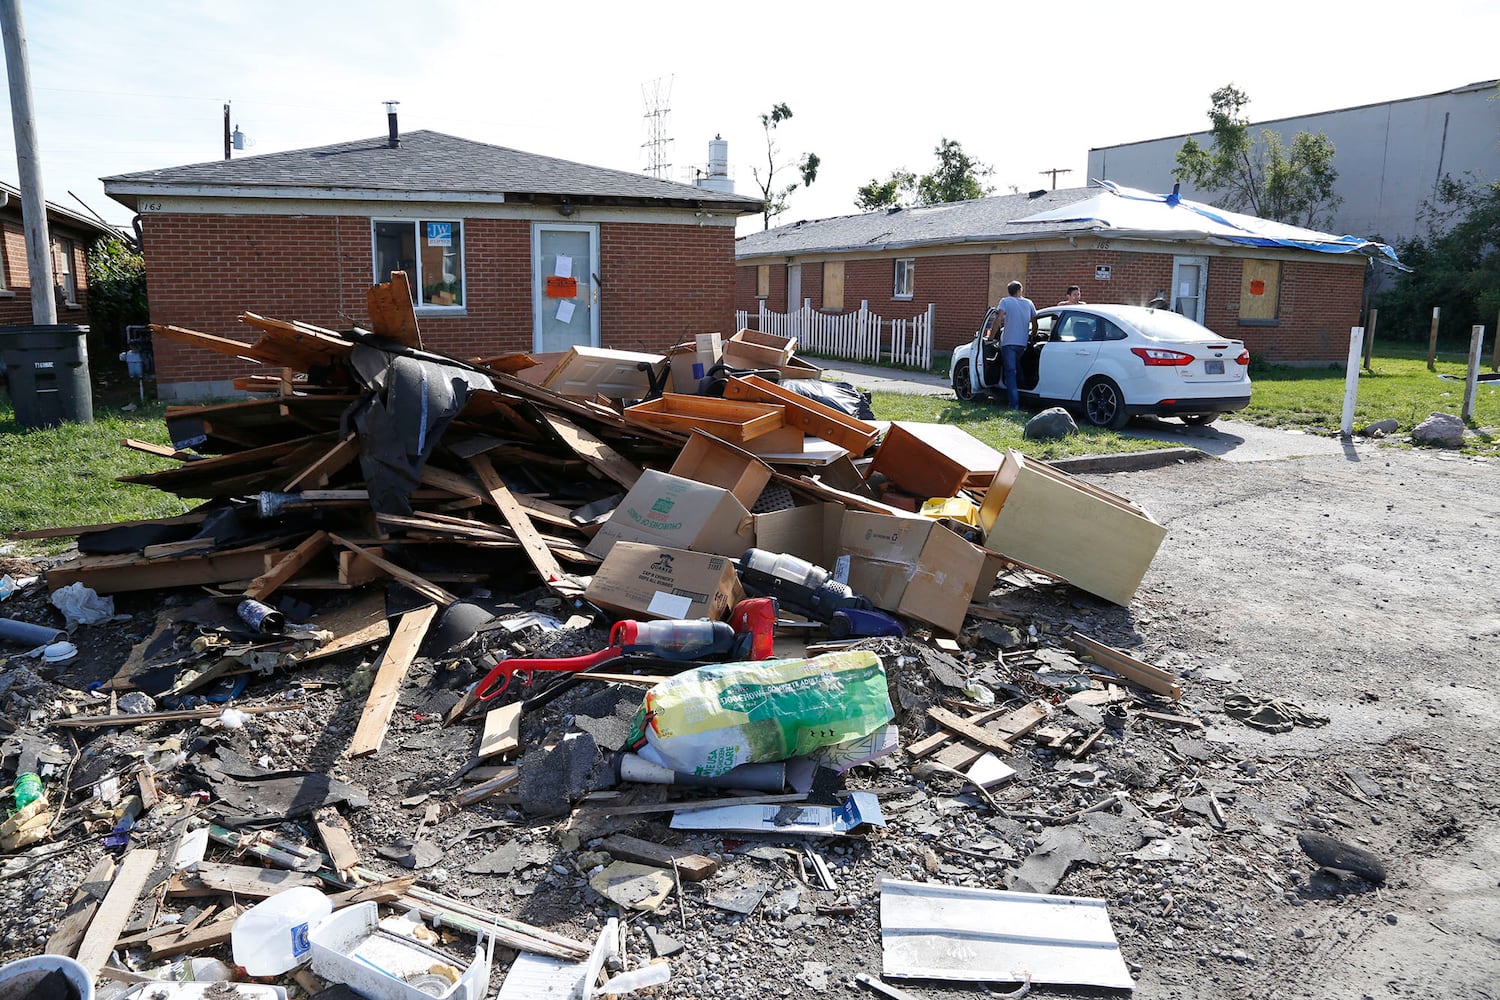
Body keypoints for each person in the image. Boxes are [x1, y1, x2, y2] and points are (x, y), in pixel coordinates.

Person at [991, 280, 1038, 409]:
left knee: (1010, 372)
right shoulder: (1029, 303)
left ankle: (1014, 404)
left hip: (1008, 342)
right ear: (1020, 290)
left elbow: (999, 318)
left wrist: (990, 337)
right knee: (1016, 365)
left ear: (1009, 291)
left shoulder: (1005, 301)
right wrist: (1032, 337)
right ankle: (1022, 386)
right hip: (1022, 343)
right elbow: (1035, 323)